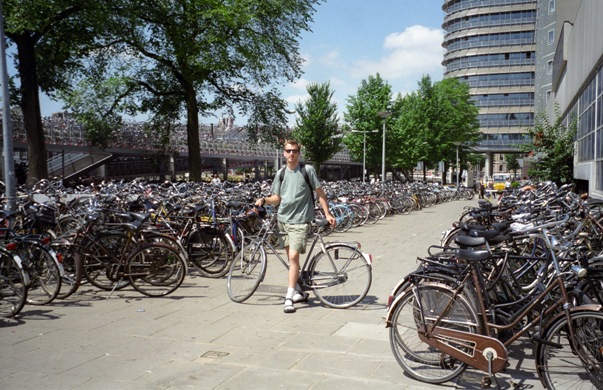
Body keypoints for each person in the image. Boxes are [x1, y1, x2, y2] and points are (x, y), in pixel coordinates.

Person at [255, 139, 336, 314]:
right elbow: (277, 198)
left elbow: (320, 193)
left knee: (293, 258)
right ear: (284, 153)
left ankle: (288, 297)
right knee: (293, 262)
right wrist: (264, 199)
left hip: (300, 221)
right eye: (288, 151)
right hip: (283, 219)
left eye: (295, 151)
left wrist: (327, 213)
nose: (291, 154)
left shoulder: (307, 171)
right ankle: (299, 291)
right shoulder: (281, 174)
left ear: (299, 153)